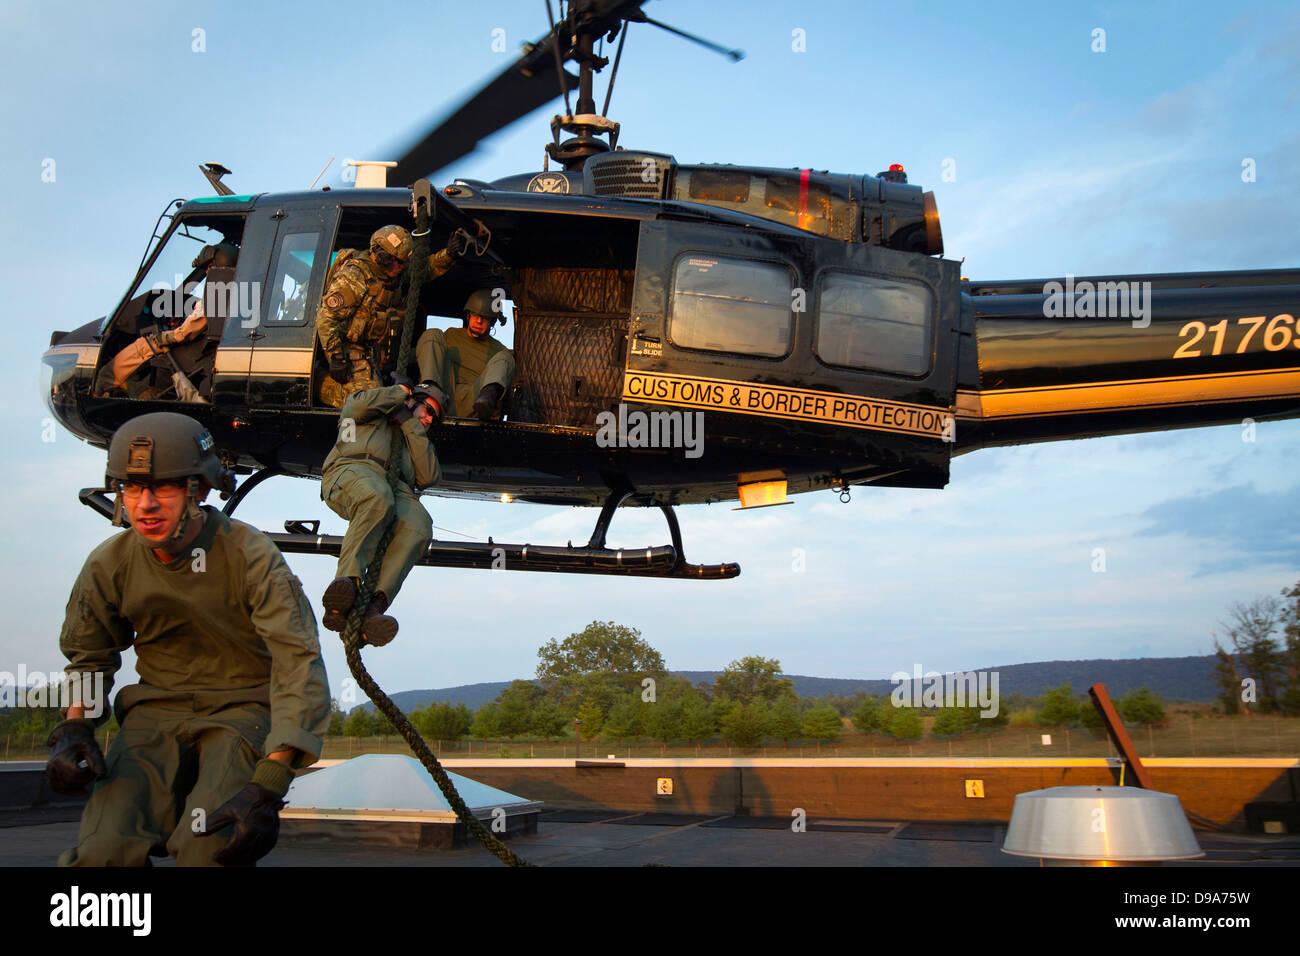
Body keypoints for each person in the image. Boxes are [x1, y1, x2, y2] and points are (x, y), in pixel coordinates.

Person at [46, 412, 331, 867]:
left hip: (241, 714)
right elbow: (88, 657)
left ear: (198, 490)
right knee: (103, 851)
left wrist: (269, 783)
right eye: (133, 488)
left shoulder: (251, 556)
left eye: (164, 488)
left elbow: (298, 662)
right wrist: (76, 725)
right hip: (153, 713)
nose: (145, 505)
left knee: (208, 848)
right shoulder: (109, 564)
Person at [319, 376, 443, 645]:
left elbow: (429, 475)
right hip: (352, 468)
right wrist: (399, 394)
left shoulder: (414, 437)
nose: (431, 419)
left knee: (419, 526)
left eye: (436, 416)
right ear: (415, 401)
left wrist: (411, 423)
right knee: (376, 498)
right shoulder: (372, 412)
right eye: (429, 410)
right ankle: (346, 584)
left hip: (393, 486)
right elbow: (354, 406)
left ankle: (373, 607)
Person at [316, 225, 468, 408]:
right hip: (352, 353)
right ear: (383, 258)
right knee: (373, 405)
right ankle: (320, 383)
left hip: (378, 355)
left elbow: (423, 270)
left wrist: (449, 254)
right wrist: (336, 357)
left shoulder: (395, 271)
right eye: (400, 262)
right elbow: (326, 318)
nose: (403, 267)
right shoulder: (354, 277)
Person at [97, 242, 239, 401]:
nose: (207, 271)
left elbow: (187, 332)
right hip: (213, 351)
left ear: (217, 267)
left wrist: (164, 336)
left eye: (209, 267)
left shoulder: (217, 290)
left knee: (144, 345)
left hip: (198, 354)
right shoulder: (241, 291)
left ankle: (103, 386)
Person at [416, 288, 516, 420]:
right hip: (442, 396)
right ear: (468, 316)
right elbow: (430, 353)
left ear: (492, 322)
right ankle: (428, 390)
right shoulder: (451, 335)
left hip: (475, 404)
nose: (478, 322)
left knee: (506, 358)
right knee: (432, 334)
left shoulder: (499, 350)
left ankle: (488, 398)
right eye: (475, 315)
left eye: (484, 318)